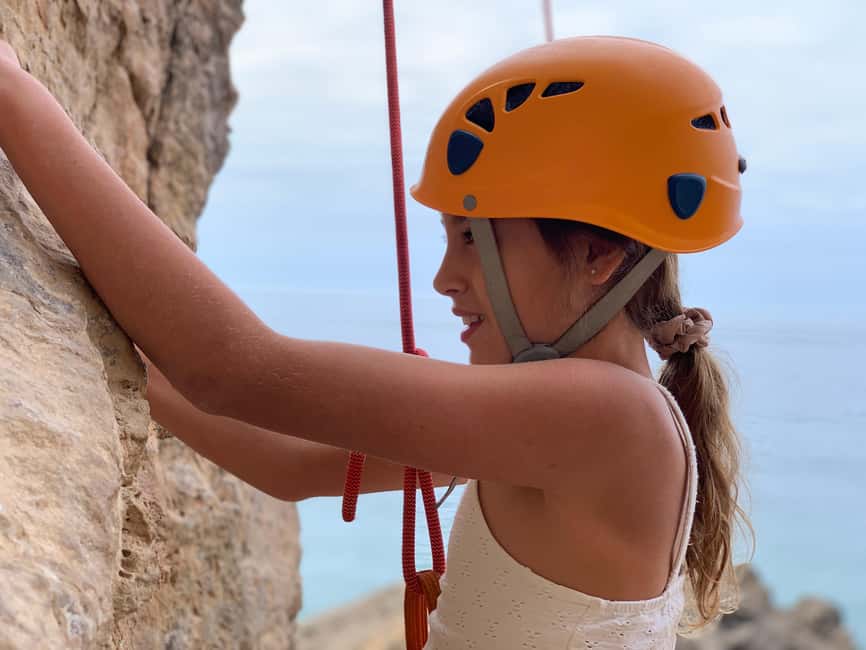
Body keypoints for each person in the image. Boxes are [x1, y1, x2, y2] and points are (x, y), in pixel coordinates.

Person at [0, 33, 754, 649]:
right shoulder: (570, 422)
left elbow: (231, 369)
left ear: (600, 257)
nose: (445, 278)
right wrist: (107, 347)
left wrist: (16, 97)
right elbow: (287, 461)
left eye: (472, 239)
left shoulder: (606, 418)